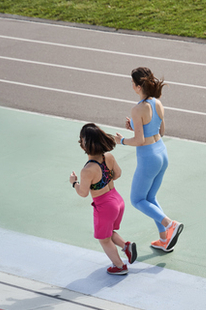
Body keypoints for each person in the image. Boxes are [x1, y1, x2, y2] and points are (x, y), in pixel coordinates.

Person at [114, 67, 183, 252]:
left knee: (137, 200)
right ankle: (164, 240)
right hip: (162, 152)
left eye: (132, 83)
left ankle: (170, 224)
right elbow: (160, 131)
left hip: (148, 158)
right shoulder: (157, 103)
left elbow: (139, 141)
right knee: (150, 197)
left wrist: (120, 140)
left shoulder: (137, 109)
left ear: (137, 86)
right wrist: (135, 127)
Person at [70, 123, 137, 275]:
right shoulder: (109, 157)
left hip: (105, 206)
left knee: (103, 239)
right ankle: (126, 246)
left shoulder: (87, 170)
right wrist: (106, 178)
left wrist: (74, 183)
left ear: (83, 145)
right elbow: (118, 174)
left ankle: (119, 266)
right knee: (108, 231)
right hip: (117, 200)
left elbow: (83, 193)